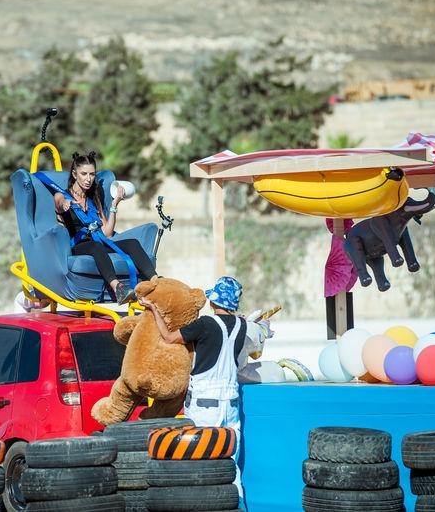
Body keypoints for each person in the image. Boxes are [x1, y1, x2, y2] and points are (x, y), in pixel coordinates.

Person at [138, 276, 272, 511]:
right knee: (230, 465)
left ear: (214, 301)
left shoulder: (205, 324)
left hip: (204, 405)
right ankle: (238, 505)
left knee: (201, 463)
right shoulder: (242, 326)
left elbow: (169, 337)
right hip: (231, 403)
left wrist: (154, 309)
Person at [52, 151, 158, 305]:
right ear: (75, 174)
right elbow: (59, 203)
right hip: (78, 245)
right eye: (84, 174)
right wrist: (64, 204)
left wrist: (114, 205)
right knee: (96, 247)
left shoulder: (92, 200)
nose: (88, 179)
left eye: (92, 174)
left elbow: (107, 234)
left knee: (132, 243)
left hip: (98, 242)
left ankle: (157, 282)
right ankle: (118, 288)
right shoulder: (62, 195)